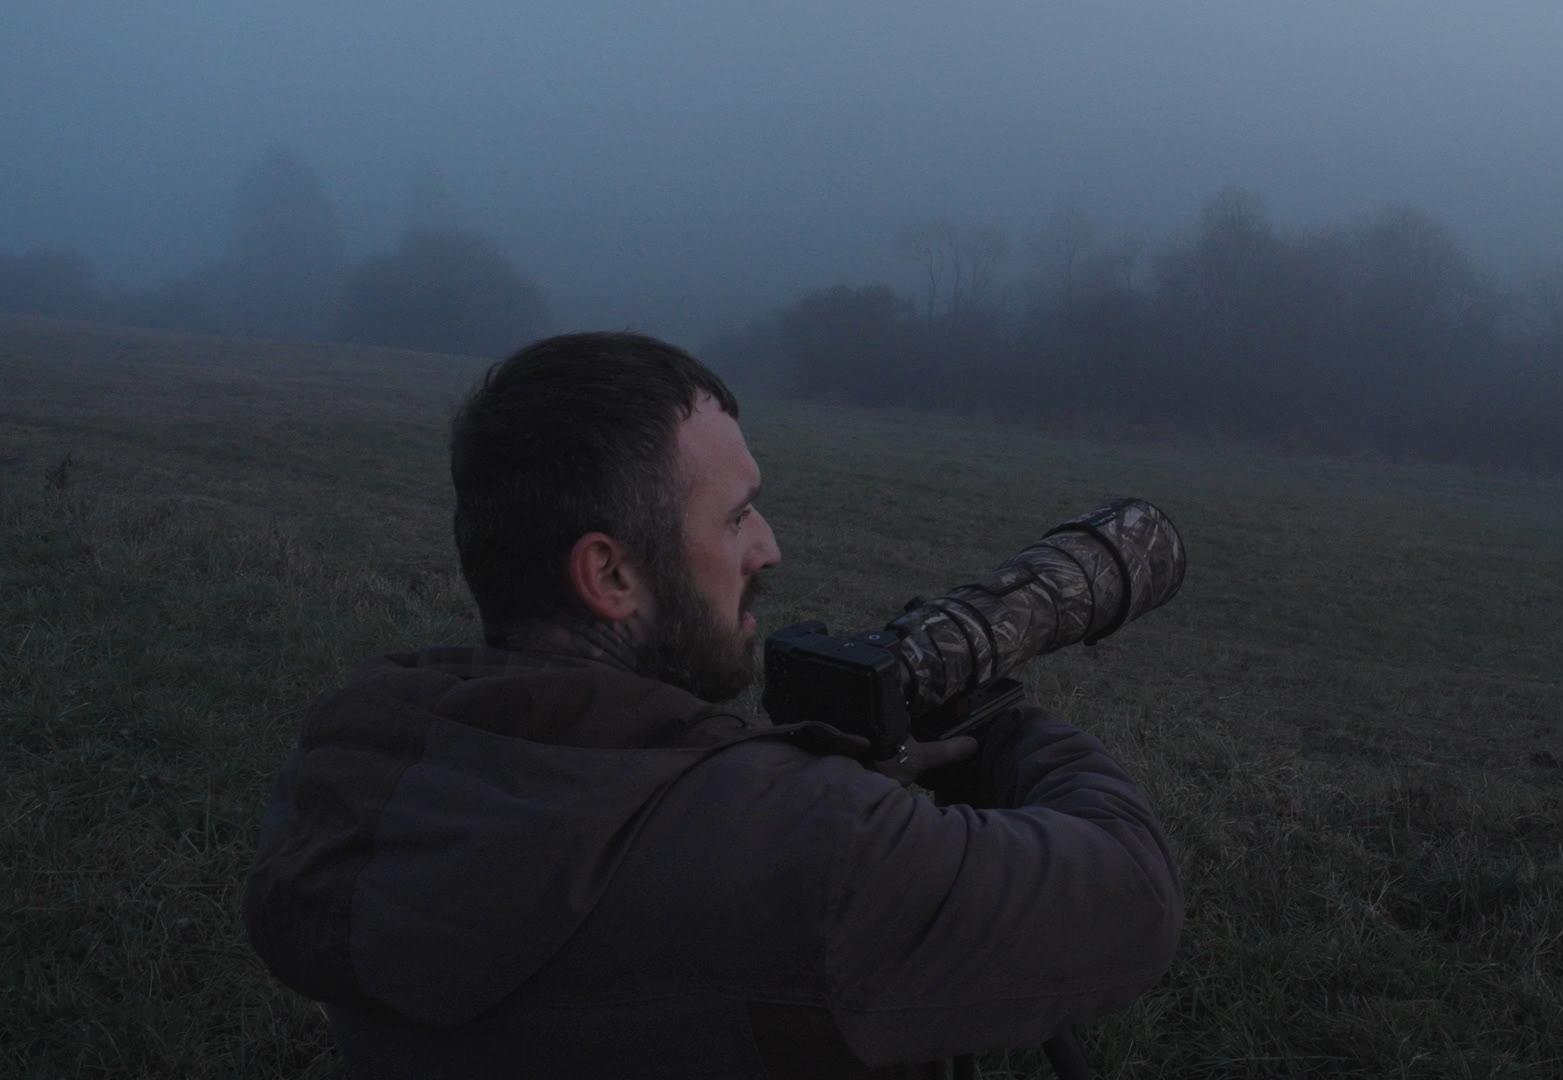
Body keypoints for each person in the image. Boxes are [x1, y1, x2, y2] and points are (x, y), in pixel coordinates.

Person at [243, 331, 1183, 1079]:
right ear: (610, 574)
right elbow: (1134, 897)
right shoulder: (806, 851)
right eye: (735, 517)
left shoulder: (350, 766)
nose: (767, 548)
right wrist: (997, 728)